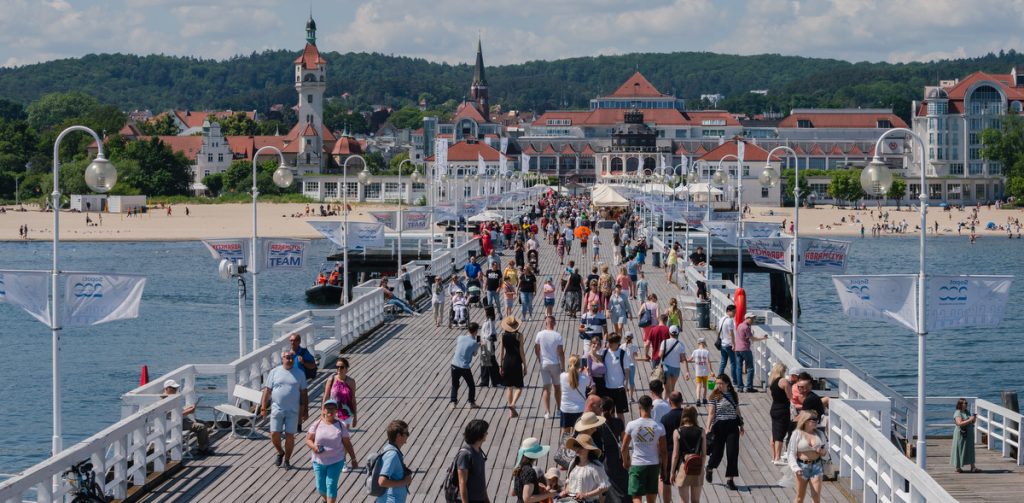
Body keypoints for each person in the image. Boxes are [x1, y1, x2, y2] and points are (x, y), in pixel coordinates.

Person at [261, 350, 309, 468]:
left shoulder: (300, 373)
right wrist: (263, 407)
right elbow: (267, 390)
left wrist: (305, 410)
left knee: (289, 435)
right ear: (282, 358)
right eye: (287, 357)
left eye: (292, 357)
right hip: (276, 409)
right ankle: (280, 452)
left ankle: (287, 460)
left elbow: (304, 393)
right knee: (274, 434)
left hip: (293, 411)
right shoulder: (274, 372)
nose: (290, 359)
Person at [306, 400, 358, 503]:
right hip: (319, 461)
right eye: (328, 408)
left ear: (336, 411)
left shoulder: (341, 426)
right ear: (323, 410)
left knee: (331, 485)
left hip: (336, 461)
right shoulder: (316, 424)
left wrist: (353, 459)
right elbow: (308, 439)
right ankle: (326, 500)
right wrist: (314, 447)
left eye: (333, 408)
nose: (330, 410)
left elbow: (347, 443)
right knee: (320, 487)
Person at [622, 396, 667, 503]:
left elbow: (624, 447)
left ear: (639, 407)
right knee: (651, 499)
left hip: (637, 464)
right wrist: (664, 469)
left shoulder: (631, 425)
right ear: (651, 407)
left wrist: (625, 461)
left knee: (636, 497)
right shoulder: (659, 426)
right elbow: (663, 451)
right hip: (653, 464)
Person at [705, 374, 743, 490]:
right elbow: (711, 413)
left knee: (732, 453)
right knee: (717, 453)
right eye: (717, 383)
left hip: (732, 426)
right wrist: (708, 428)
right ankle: (710, 467)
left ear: (727, 383)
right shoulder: (714, 396)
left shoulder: (733, 395)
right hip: (719, 426)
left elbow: (737, 410)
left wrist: (741, 424)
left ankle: (730, 480)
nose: (718, 385)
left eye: (721, 383)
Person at [162, 379, 212, 455]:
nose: (176, 390)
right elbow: (173, 416)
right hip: (177, 423)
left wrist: (188, 409)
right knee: (201, 427)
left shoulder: (171, 397)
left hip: (182, 420)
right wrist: (189, 411)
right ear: (166, 388)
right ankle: (203, 449)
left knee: (205, 423)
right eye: (173, 388)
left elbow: (178, 412)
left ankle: (205, 446)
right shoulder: (165, 400)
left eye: (176, 388)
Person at [787, 411, 828, 503]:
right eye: (813, 419)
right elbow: (791, 453)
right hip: (802, 467)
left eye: (817, 419)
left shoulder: (820, 434)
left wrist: (821, 452)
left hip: (817, 466)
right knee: (799, 498)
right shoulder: (797, 434)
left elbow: (826, 453)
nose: (816, 421)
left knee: (816, 497)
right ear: (805, 420)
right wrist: (795, 468)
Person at [670, 405, 706, 503]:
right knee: (696, 500)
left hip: (683, 466)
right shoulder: (701, 431)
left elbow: (675, 455)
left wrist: (672, 472)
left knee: (684, 501)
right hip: (697, 466)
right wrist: (701, 467)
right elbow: (704, 453)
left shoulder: (677, 432)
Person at [562, 434, 611, 502]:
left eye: (580, 446)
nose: (577, 449)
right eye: (576, 446)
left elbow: (605, 486)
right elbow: (569, 482)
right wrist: (565, 491)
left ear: (589, 449)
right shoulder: (573, 463)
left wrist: (586, 495)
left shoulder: (596, 466)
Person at [534, 315, 565, 420]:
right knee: (557, 388)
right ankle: (559, 410)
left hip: (544, 364)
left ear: (546, 323)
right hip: (555, 364)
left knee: (546, 388)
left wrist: (540, 358)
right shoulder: (558, 336)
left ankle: (547, 412)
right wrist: (563, 367)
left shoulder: (539, 334)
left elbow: (536, 349)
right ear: (554, 324)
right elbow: (561, 353)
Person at [498, 316, 527, 418]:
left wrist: (500, 365)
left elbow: (501, 351)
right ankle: (513, 404)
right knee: (519, 387)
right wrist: (525, 365)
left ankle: (511, 413)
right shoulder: (519, 336)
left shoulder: (503, 336)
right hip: (516, 362)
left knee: (509, 387)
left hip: (506, 362)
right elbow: (521, 351)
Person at [376, 420, 412, 503]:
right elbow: (382, 481)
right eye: (406, 433)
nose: (408, 435)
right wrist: (405, 482)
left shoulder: (389, 449)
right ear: (399, 436)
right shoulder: (392, 455)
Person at [455, 419, 490, 503]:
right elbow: (462, 483)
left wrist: (486, 499)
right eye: (485, 432)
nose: (487, 433)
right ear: (479, 435)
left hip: (480, 498)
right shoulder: (465, 455)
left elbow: (480, 478)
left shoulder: (478, 450)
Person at [511, 438, 555, 502]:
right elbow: (527, 499)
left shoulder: (519, 468)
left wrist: (536, 485)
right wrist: (549, 494)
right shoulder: (530, 472)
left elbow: (513, 492)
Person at [659, 392, 684, 503]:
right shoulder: (687, 417)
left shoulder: (665, 419)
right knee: (684, 485)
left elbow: (661, 439)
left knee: (666, 483)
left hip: (669, 453)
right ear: (682, 401)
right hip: (685, 454)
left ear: (669, 402)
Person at [601, 334, 632, 421]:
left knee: (620, 413)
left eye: (612, 342)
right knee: (609, 413)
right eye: (609, 341)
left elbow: (627, 370)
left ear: (618, 342)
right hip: (607, 387)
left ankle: (621, 429)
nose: (610, 344)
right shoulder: (604, 352)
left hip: (619, 387)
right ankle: (611, 429)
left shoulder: (623, 353)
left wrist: (625, 383)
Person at [451, 322, 481, 409]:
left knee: (455, 384)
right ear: (476, 331)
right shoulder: (475, 342)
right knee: (471, 385)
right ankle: (471, 402)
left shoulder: (460, 337)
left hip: (454, 364)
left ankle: (453, 402)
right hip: (464, 367)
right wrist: (478, 342)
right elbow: (474, 354)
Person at [734, 312, 766, 392]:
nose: (752, 320)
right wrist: (763, 338)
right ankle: (749, 387)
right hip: (745, 349)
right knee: (750, 368)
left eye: (753, 319)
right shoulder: (746, 327)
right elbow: (752, 338)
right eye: (751, 319)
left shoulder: (740, 325)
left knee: (739, 368)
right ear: (747, 318)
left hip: (738, 349)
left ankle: (740, 387)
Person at [767, 363, 792, 465]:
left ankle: (774, 456)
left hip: (774, 408)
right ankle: (777, 458)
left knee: (774, 432)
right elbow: (790, 396)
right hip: (782, 409)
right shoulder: (783, 381)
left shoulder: (772, 381)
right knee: (780, 434)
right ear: (782, 371)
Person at [322, 357, 358, 428]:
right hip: (332, 412)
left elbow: (353, 399)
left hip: (346, 413)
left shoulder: (351, 382)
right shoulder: (331, 380)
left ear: (346, 369)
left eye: (341, 367)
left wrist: (355, 416)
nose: (339, 369)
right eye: (337, 367)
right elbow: (325, 397)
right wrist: (323, 412)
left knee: (343, 433)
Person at [560, 355, 591, 434]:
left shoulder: (562, 376)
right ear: (580, 365)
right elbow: (589, 384)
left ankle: (565, 442)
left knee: (565, 433)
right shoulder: (584, 378)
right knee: (579, 433)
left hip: (566, 408)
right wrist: (586, 373)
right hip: (579, 409)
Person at [659, 325, 690, 394]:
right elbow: (683, 359)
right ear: (678, 333)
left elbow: (660, 355)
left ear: (669, 333)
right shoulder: (681, 344)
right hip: (676, 368)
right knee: (672, 388)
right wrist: (687, 371)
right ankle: (671, 400)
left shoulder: (664, 342)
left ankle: (665, 400)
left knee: (666, 389)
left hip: (666, 367)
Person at [951, 398, 980, 473]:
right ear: (960, 404)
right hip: (961, 434)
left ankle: (973, 467)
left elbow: (972, 422)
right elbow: (959, 423)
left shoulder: (967, 411)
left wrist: (974, 418)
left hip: (969, 434)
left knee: (970, 449)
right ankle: (958, 467)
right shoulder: (958, 412)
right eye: (965, 403)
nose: (966, 404)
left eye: (966, 403)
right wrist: (970, 420)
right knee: (960, 448)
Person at [478, 306, 501, 387]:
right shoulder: (487, 320)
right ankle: (488, 381)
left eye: (485, 311)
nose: (484, 312)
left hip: (487, 343)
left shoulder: (490, 321)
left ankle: (494, 381)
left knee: (490, 362)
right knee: (486, 362)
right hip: (484, 342)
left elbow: (491, 332)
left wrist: (484, 339)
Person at [716, 305, 739, 386]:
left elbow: (718, 330)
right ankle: (735, 381)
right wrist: (733, 344)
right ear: (728, 311)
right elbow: (731, 333)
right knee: (733, 363)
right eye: (734, 312)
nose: (735, 314)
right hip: (729, 344)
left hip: (723, 344)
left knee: (723, 362)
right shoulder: (730, 321)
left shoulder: (721, 319)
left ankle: (719, 378)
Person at [689, 338, 712, 406]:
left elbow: (690, 359)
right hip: (705, 372)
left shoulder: (695, 351)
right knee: (704, 385)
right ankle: (704, 399)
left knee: (698, 385)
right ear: (704, 344)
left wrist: (684, 360)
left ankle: (698, 399)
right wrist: (711, 371)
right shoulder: (706, 352)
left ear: (698, 344)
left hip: (698, 372)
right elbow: (708, 362)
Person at [624, 333, 640, 403]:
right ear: (632, 338)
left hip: (624, 366)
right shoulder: (634, 346)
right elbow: (635, 356)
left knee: (625, 381)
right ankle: (631, 398)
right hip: (632, 365)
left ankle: (624, 397)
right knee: (631, 381)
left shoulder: (622, 346)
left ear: (625, 338)